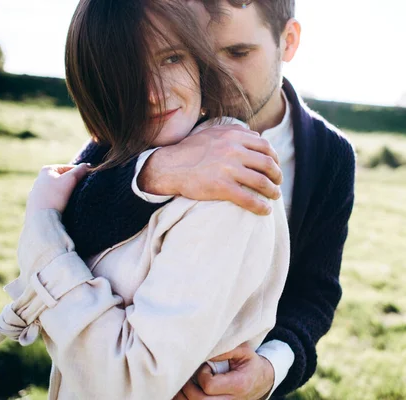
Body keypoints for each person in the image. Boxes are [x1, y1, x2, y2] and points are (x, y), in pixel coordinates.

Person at [0, 0, 291, 399]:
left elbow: (132, 381)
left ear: (200, 61)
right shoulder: (115, 157)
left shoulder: (228, 188)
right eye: (124, 73)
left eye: (171, 58)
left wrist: (42, 230)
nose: (152, 93)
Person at [63, 1, 357, 399]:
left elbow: (315, 292)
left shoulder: (329, 156)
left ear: (288, 42)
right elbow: (73, 214)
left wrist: (270, 370)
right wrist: (157, 171)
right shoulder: (164, 116)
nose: (215, 73)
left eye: (237, 52)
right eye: (196, 51)